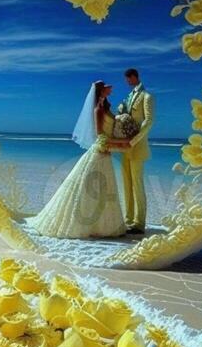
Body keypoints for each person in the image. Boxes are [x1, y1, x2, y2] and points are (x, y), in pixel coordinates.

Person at [29, 81, 127, 239]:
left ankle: (101, 226)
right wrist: (119, 144)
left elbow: (110, 130)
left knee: (103, 187)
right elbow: (100, 134)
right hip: (101, 149)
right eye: (107, 86)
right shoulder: (98, 110)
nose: (110, 88)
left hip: (106, 151)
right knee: (91, 187)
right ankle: (87, 224)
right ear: (101, 91)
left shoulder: (107, 107)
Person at [117, 68, 155, 235]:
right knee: (127, 185)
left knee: (137, 185)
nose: (127, 82)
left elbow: (149, 121)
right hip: (125, 148)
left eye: (128, 79)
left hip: (137, 146)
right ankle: (129, 219)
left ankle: (139, 223)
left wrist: (134, 141)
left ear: (134, 77)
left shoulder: (147, 96)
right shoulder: (129, 96)